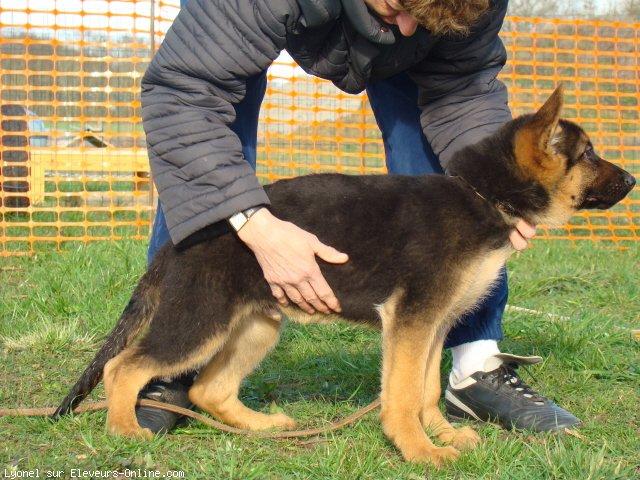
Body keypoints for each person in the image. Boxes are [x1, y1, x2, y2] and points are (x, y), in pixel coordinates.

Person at [135, 0, 580, 433]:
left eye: (422, 19)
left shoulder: (457, 10)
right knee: (216, 134)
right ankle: (169, 361)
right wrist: (254, 223)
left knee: (443, 183)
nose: (407, 27)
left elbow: (462, 90)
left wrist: (503, 188)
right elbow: (186, 93)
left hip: (421, 46)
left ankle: (475, 362)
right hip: (242, 24)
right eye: (398, 6)